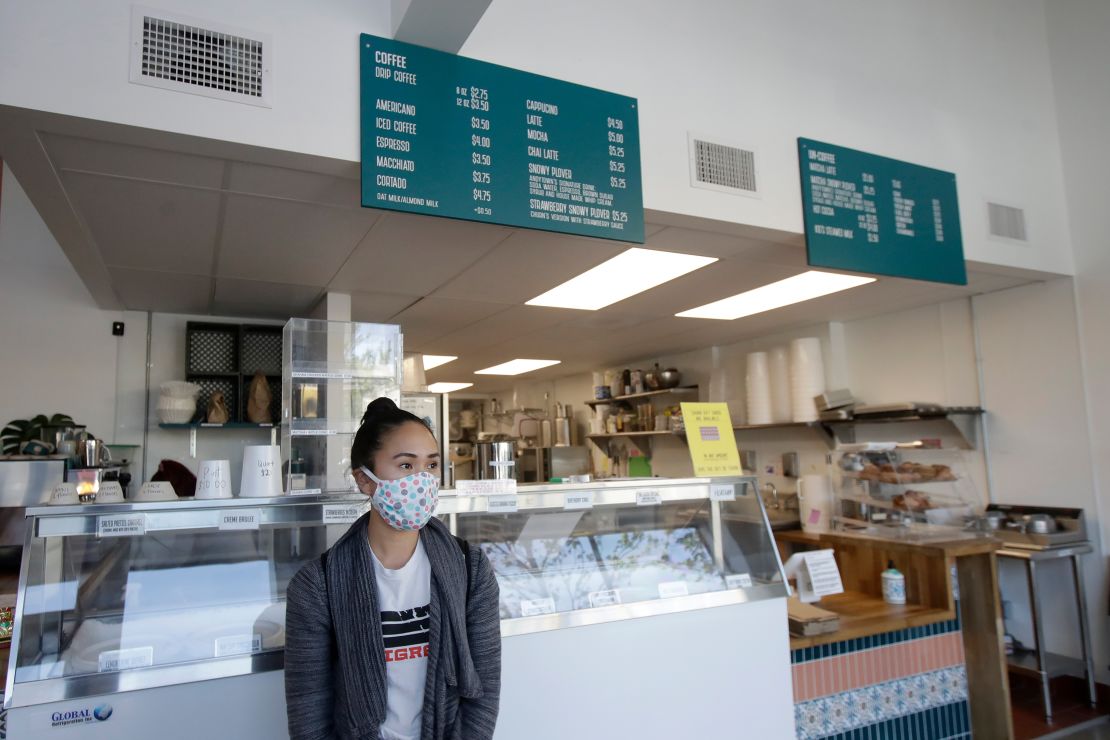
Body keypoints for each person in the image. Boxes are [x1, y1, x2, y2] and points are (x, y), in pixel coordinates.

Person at [285, 397, 501, 740]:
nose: (423, 480)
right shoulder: (318, 585)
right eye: (405, 466)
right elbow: (308, 709)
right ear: (365, 480)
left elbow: (483, 689)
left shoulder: (469, 568)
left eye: (431, 466)